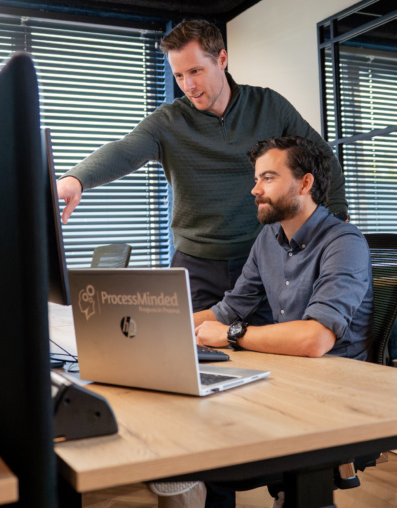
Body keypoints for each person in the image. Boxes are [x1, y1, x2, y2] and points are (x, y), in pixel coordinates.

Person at [57, 20, 349, 325]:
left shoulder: (269, 106)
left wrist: (337, 215)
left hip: (262, 258)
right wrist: (76, 179)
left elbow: (322, 156)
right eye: (179, 75)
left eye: (195, 71)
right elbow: (124, 150)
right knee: (185, 345)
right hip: (195, 265)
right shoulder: (169, 121)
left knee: (264, 347)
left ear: (221, 59)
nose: (188, 86)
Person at [193, 136, 373, 508]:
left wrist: (232, 335)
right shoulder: (268, 239)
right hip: (288, 375)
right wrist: (158, 321)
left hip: (335, 390)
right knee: (197, 426)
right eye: (256, 179)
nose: (255, 189)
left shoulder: (344, 242)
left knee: (214, 453)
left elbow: (315, 339)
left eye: (268, 178)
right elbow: (228, 309)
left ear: (305, 183)